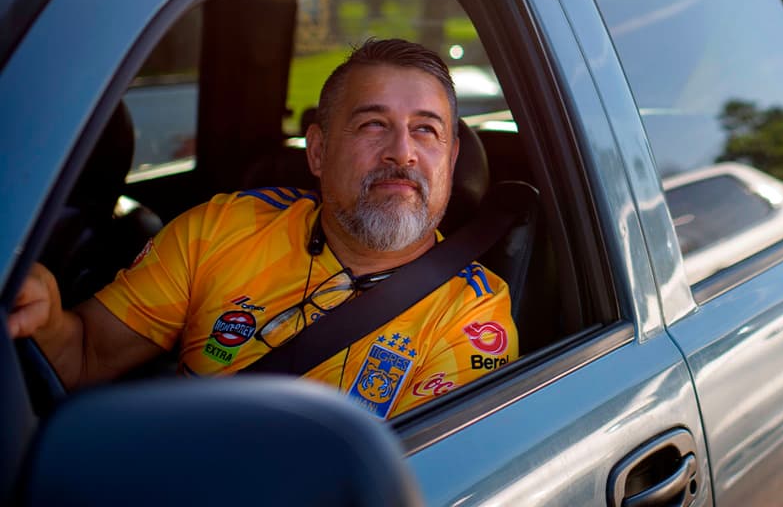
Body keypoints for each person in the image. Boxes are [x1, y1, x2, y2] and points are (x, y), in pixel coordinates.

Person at [7, 38, 517, 419]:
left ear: (450, 160)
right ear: (317, 151)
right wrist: (46, 317)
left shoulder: (472, 320)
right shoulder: (223, 228)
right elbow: (84, 358)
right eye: (372, 125)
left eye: (426, 130)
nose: (401, 152)